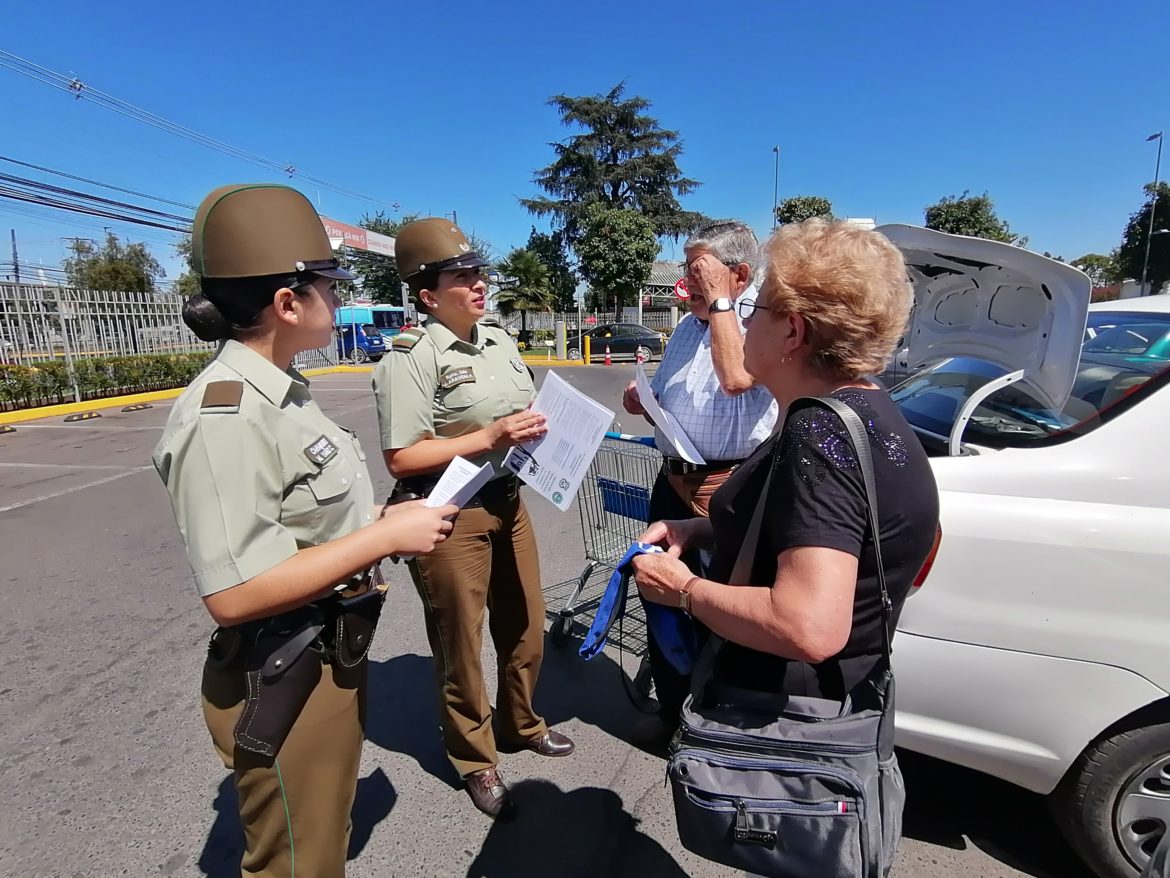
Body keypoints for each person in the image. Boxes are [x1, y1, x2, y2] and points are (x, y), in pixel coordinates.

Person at [153, 184, 455, 878]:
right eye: (327, 285)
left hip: (327, 651)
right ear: (288, 303)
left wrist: (384, 523)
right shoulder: (224, 416)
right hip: (285, 668)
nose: (334, 296)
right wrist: (382, 540)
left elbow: (305, 529)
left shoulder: (280, 390)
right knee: (298, 861)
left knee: (320, 840)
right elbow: (235, 593)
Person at [632, 216, 939, 706]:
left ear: (792, 332)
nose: (745, 321)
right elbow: (804, 530)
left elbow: (807, 626)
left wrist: (685, 587)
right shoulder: (865, 408)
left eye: (760, 311)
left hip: (783, 728)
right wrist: (702, 530)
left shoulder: (818, 439)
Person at [372, 217, 575, 821]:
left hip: (509, 499)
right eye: (462, 276)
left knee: (526, 624)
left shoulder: (499, 340)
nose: (478, 283)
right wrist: (487, 434)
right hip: (448, 512)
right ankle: (474, 758)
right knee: (459, 641)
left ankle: (521, 723)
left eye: (478, 272)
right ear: (429, 294)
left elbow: (520, 414)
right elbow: (403, 454)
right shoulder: (410, 356)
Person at [620, 219, 778, 740]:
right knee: (659, 595)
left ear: (739, 275)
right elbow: (671, 401)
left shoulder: (762, 321)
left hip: (728, 486)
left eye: (697, 273)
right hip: (674, 480)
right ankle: (672, 713)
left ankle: (717, 726)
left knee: (721, 608)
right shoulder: (687, 326)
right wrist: (644, 405)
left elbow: (737, 381)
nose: (682, 285)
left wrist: (719, 308)